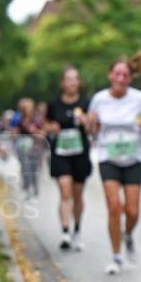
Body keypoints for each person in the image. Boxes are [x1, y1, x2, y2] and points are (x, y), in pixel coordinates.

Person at [87, 51, 141, 275]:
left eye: (125, 75)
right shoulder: (99, 99)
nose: (121, 78)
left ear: (130, 78)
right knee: (114, 207)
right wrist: (89, 123)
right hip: (108, 158)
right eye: (117, 74)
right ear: (110, 75)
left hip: (134, 159)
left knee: (132, 211)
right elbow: (91, 128)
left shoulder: (139, 98)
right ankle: (116, 256)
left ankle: (128, 234)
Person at [45, 67, 93, 251]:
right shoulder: (54, 104)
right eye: (68, 79)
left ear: (79, 82)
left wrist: (86, 122)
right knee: (65, 192)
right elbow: (46, 125)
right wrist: (51, 127)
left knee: (77, 194)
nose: (72, 82)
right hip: (60, 153)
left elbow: (92, 129)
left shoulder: (86, 103)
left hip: (80, 153)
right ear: (62, 83)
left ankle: (77, 230)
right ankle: (65, 232)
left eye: (75, 79)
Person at [12, 98, 43, 200]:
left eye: (27, 107)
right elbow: (14, 132)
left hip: (35, 147)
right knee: (25, 168)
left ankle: (35, 187)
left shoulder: (37, 120)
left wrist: (33, 131)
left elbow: (42, 133)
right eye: (23, 108)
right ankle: (27, 187)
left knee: (33, 168)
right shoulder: (18, 120)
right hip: (22, 147)